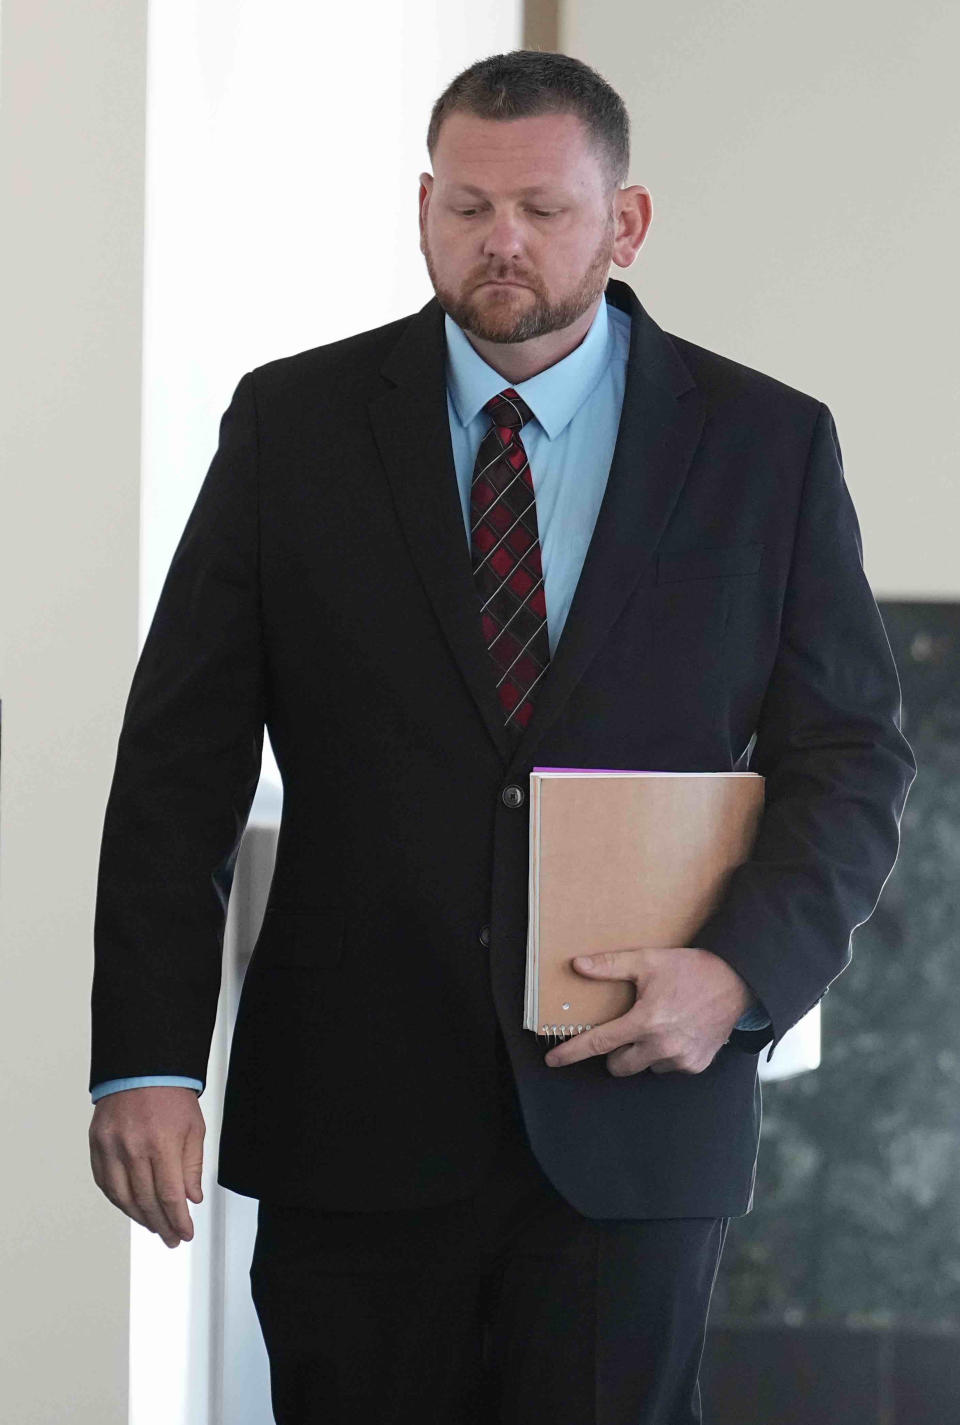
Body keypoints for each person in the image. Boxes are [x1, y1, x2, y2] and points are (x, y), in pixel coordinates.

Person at [88, 48, 916, 1425]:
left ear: (626, 221)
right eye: (468, 208)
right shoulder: (292, 427)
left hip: (639, 1116)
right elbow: (179, 767)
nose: (501, 244)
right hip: (349, 1120)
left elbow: (852, 756)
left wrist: (741, 974)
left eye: (542, 209)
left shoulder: (768, 445)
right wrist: (149, 1056)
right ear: (425, 206)